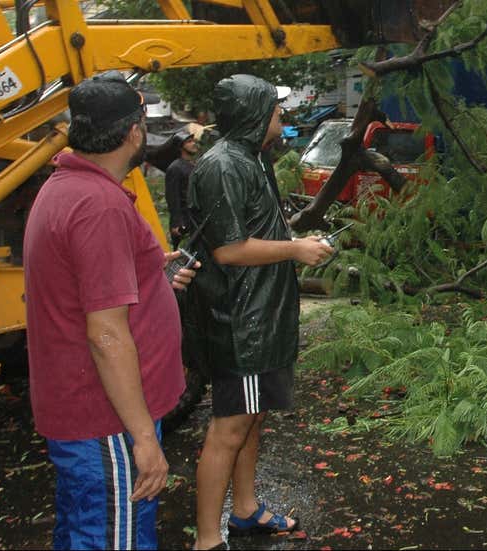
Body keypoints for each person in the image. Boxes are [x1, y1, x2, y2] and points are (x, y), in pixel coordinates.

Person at [23, 71, 198, 550]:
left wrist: (148, 275)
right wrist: (143, 439)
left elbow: (83, 288)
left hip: (92, 414)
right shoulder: (98, 206)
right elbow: (105, 334)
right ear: (134, 132)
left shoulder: (66, 186)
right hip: (109, 421)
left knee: (87, 531)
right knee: (113, 539)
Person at [186, 75, 334, 551]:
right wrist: (296, 249)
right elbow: (229, 251)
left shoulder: (251, 159)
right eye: (273, 110)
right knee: (229, 426)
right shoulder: (223, 166)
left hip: (262, 316)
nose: (280, 118)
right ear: (252, 114)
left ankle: (245, 511)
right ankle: (208, 540)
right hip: (241, 321)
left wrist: (296, 244)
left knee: (252, 416)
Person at [164, 128, 199, 249]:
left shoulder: (195, 165)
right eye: (189, 141)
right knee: (181, 259)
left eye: (193, 140)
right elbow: (172, 197)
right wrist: (176, 223)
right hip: (183, 221)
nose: (194, 143)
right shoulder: (175, 168)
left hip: (195, 218)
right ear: (180, 147)